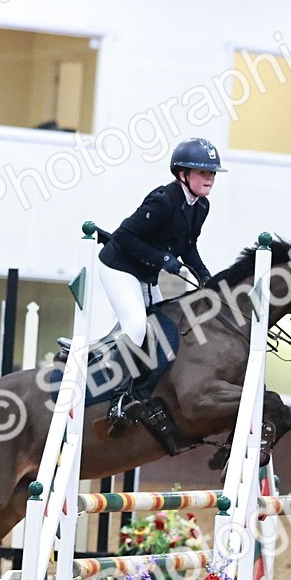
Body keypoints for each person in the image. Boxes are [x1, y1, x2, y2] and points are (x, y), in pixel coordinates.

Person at [97, 137, 226, 430]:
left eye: (212, 173)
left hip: (145, 273)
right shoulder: (164, 199)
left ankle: (144, 390)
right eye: (203, 172)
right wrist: (163, 260)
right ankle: (117, 400)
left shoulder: (200, 207)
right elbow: (123, 237)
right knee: (136, 326)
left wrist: (206, 277)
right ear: (183, 174)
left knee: (161, 328)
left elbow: (189, 246)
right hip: (119, 267)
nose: (210, 178)